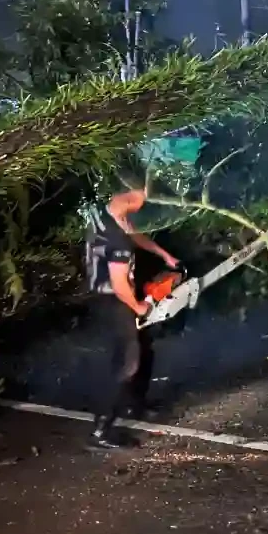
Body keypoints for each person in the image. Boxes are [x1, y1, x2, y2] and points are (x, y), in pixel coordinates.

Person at [82, 185, 178, 451]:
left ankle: (137, 404)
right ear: (130, 194)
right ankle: (101, 432)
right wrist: (138, 308)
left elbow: (133, 232)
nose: (144, 202)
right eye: (143, 195)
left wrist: (163, 254)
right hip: (114, 300)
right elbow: (120, 283)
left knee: (144, 350)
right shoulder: (115, 238)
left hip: (106, 295)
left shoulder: (108, 214)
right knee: (127, 363)